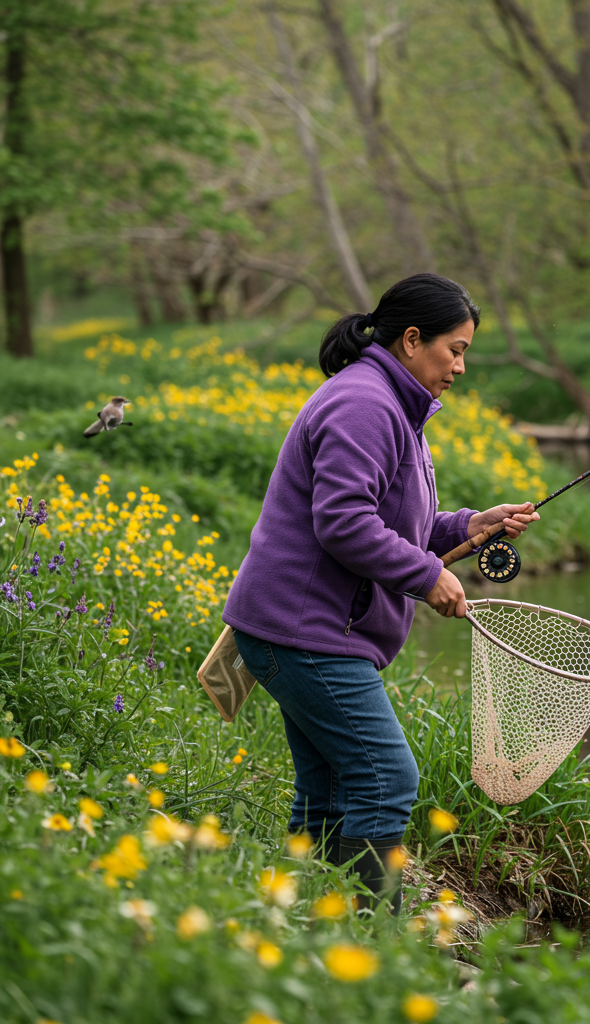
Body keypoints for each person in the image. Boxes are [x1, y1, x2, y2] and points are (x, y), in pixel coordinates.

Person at [223, 273, 538, 912]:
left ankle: (306, 923)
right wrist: (427, 575)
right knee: (387, 778)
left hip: (302, 629)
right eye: (455, 349)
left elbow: (398, 520)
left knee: (331, 785)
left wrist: (467, 528)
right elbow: (342, 521)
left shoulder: (395, 403)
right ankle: (371, 943)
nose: (461, 366)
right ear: (412, 339)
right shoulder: (365, 403)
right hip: (303, 632)